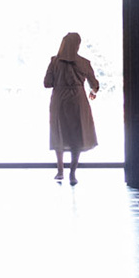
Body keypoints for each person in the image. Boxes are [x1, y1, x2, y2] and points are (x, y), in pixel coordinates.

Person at [44, 31, 99, 184]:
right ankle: (72, 173)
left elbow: (47, 83)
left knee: (59, 132)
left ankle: (60, 170)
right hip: (78, 100)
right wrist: (93, 92)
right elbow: (94, 84)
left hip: (59, 100)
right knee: (77, 135)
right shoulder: (84, 62)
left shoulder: (54, 61)